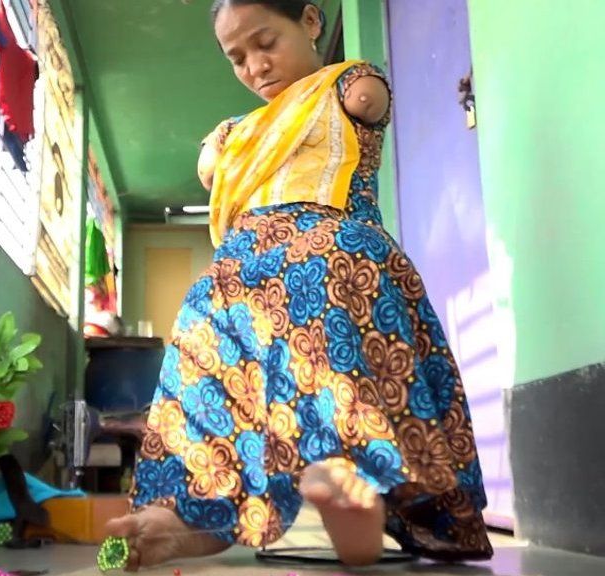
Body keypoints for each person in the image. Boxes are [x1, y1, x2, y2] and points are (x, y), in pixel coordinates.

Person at [105, 0, 493, 570]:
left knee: (272, 333)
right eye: (236, 58)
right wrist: (224, 141)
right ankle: (301, 492)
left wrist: (227, 143)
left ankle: (260, 495)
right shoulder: (241, 128)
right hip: (254, 271)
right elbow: (212, 166)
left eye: (266, 43)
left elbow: (365, 98)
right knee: (223, 336)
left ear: (311, 22)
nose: (255, 67)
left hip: (315, 246)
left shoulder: (344, 85)